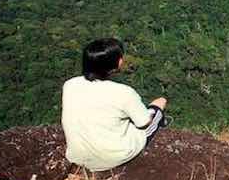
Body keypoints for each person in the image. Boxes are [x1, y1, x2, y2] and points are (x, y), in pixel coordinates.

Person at [61, 38, 169, 171]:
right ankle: (164, 125)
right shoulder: (124, 92)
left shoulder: (70, 85)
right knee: (159, 104)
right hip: (114, 156)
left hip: (77, 156)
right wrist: (153, 109)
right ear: (119, 62)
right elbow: (144, 123)